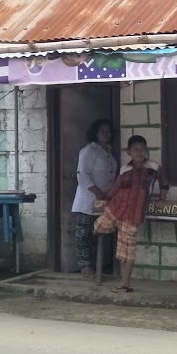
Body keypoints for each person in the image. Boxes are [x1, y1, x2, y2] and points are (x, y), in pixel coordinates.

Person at [94, 135, 168, 293]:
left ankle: (124, 283)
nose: (139, 152)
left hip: (133, 215)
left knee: (127, 250)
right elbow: (115, 189)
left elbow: (164, 183)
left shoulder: (154, 167)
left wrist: (162, 199)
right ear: (129, 152)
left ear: (146, 150)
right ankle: (117, 232)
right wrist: (104, 201)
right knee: (98, 226)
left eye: (142, 149)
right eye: (135, 149)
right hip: (116, 208)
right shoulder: (124, 169)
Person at [71, 119, 117, 278]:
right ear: (95, 133)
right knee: (83, 234)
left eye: (108, 131)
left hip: (103, 200)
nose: (106, 134)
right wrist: (98, 193)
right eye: (102, 131)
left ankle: (96, 266)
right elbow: (82, 176)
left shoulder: (108, 152)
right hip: (87, 200)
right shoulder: (89, 150)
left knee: (96, 233)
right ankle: (85, 267)